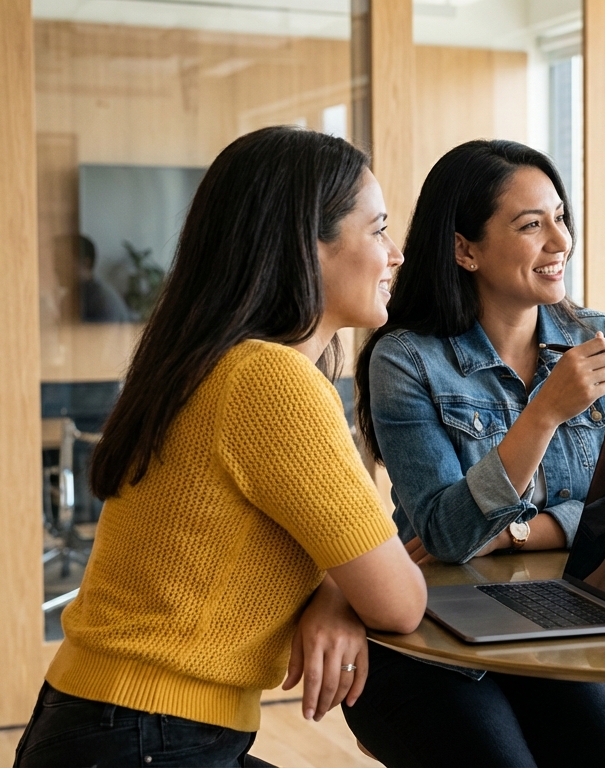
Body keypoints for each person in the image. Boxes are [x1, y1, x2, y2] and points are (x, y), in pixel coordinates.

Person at [14, 126, 427, 767]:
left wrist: (337, 593)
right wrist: (351, 591)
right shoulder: (272, 381)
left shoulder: (214, 362)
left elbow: (353, 562)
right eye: (377, 231)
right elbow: (399, 600)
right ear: (308, 246)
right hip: (144, 736)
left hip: (107, 722)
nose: (395, 254)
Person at [343, 139, 605, 767]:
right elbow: (448, 535)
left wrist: (513, 533)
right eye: (531, 225)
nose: (560, 241)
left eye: (560, 217)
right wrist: (544, 413)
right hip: (428, 636)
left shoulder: (599, 339)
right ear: (465, 249)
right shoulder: (406, 359)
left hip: (553, 622)